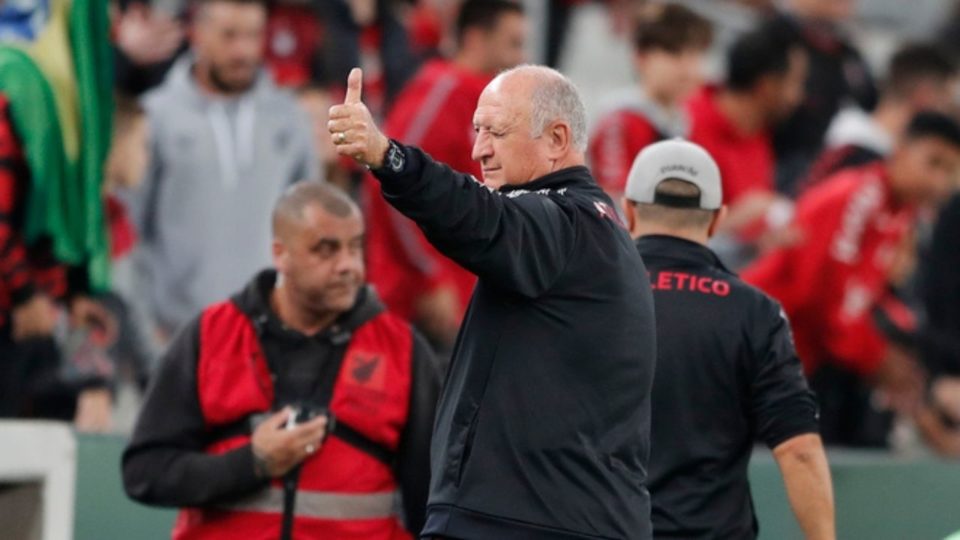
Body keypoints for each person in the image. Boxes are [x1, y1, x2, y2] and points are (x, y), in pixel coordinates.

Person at [330, 65, 657, 538]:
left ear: (557, 139)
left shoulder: (564, 222)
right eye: (477, 130)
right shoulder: (592, 229)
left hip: (521, 521)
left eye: (496, 132)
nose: (478, 149)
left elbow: (479, 217)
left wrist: (388, 156)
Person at [123, 182, 441, 539]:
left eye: (355, 247)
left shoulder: (401, 350)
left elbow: (434, 502)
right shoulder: (211, 335)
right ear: (280, 254)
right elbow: (144, 473)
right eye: (326, 250)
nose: (348, 266)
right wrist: (252, 462)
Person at [622, 139, 835, 539]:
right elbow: (799, 449)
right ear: (718, 219)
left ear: (629, 211)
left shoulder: (585, 301)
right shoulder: (755, 313)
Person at [744, 112, 960, 447]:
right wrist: (877, 358)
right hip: (754, 356)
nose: (938, 183)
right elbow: (821, 299)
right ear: (901, 149)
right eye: (933, 163)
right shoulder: (859, 197)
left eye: (950, 173)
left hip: (792, 364)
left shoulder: (897, 215)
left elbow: (861, 299)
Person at [126, 0, 318, 341]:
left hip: (269, 339)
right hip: (179, 339)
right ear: (196, 33)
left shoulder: (288, 117)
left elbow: (311, 227)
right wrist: (142, 332)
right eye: (229, 36)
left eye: (252, 35)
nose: (242, 50)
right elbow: (127, 229)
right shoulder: (155, 117)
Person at [365, 0, 527, 347]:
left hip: (468, 296)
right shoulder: (444, 89)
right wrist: (428, 277)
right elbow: (386, 175)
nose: (521, 57)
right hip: (417, 304)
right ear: (474, 38)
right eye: (512, 43)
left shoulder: (490, 102)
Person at [686, 24, 807, 256]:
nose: (798, 97)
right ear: (767, 86)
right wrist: (733, 224)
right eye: (795, 83)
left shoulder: (760, 133)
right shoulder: (684, 126)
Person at [589, 3, 713, 199]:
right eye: (675, 54)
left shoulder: (685, 122)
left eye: (695, 55)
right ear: (641, 57)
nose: (688, 68)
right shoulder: (620, 119)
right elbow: (613, 201)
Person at [805, 43, 958, 189]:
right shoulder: (859, 152)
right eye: (945, 101)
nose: (949, 112)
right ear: (924, 96)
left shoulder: (841, 122)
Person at [767, 0, 877, 194]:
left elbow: (871, 104)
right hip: (770, 151)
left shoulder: (848, 53)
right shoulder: (775, 34)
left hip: (817, 165)